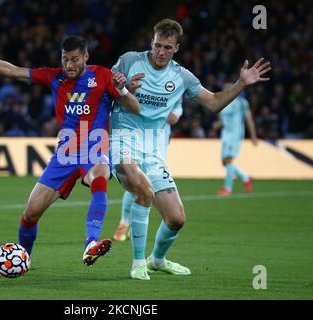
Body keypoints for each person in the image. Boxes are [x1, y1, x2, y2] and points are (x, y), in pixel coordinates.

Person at [110, 18, 271, 280]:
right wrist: (123, 88)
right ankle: (137, 262)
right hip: (123, 137)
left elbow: (214, 103)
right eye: (157, 45)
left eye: (167, 47)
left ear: (177, 48)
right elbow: (104, 89)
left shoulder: (182, 77)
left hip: (154, 148)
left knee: (176, 219)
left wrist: (241, 84)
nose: (160, 52)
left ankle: (157, 260)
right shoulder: (129, 61)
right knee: (141, 187)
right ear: (152, 41)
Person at [0, 35, 140, 266]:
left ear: (86, 56)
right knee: (30, 214)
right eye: (65, 59)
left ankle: (91, 243)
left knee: (100, 175)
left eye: (74, 59)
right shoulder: (55, 77)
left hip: (94, 147)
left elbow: (135, 108)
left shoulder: (103, 76)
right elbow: (13, 71)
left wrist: (122, 90)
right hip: (64, 155)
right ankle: (22, 259)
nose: (69, 65)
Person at [113, 102, 183, 241]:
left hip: (160, 136)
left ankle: (135, 222)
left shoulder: (175, 83)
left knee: (146, 180)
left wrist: (177, 113)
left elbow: (178, 105)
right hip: (139, 134)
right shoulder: (141, 83)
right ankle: (124, 222)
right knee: (136, 178)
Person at [216, 84, 258, 196]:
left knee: (229, 161)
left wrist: (253, 136)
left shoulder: (242, 102)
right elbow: (224, 119)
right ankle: (246, 178)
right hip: (225, 134)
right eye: (225, 88)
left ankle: (227, 189)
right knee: (224, 162)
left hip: (235, 135)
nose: (226, 90)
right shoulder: (223, 103)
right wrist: (217, 124)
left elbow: (249, 119)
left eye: (228, 88)